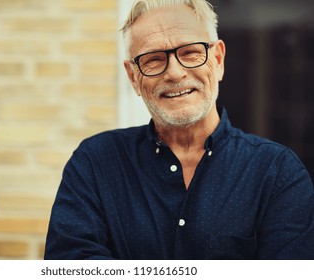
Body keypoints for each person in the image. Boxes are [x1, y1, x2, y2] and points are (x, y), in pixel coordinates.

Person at [44, 0, 314, 259]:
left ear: (217, 60)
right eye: (153, 59)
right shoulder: (95, 163)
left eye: (190, 52)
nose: (174, 73)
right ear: (133, 77)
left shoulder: (278, 172)